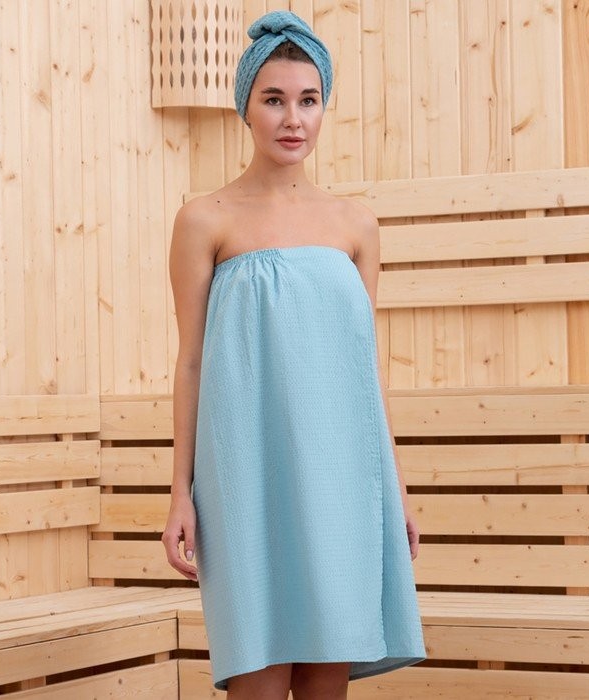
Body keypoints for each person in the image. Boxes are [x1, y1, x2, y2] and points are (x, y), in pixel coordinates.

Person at [162, 11, 426, 699]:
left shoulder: (356, 225)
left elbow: (364, 369)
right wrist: (180, 492)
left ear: (323, 107)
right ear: (245, 106)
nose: (292, 119)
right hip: (245, 471)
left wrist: (395, 489)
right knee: (258, 672)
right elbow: (190, 362)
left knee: (325, 678)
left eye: (308, 100)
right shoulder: (204, 220)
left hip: (342, 474)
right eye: (274, 99)